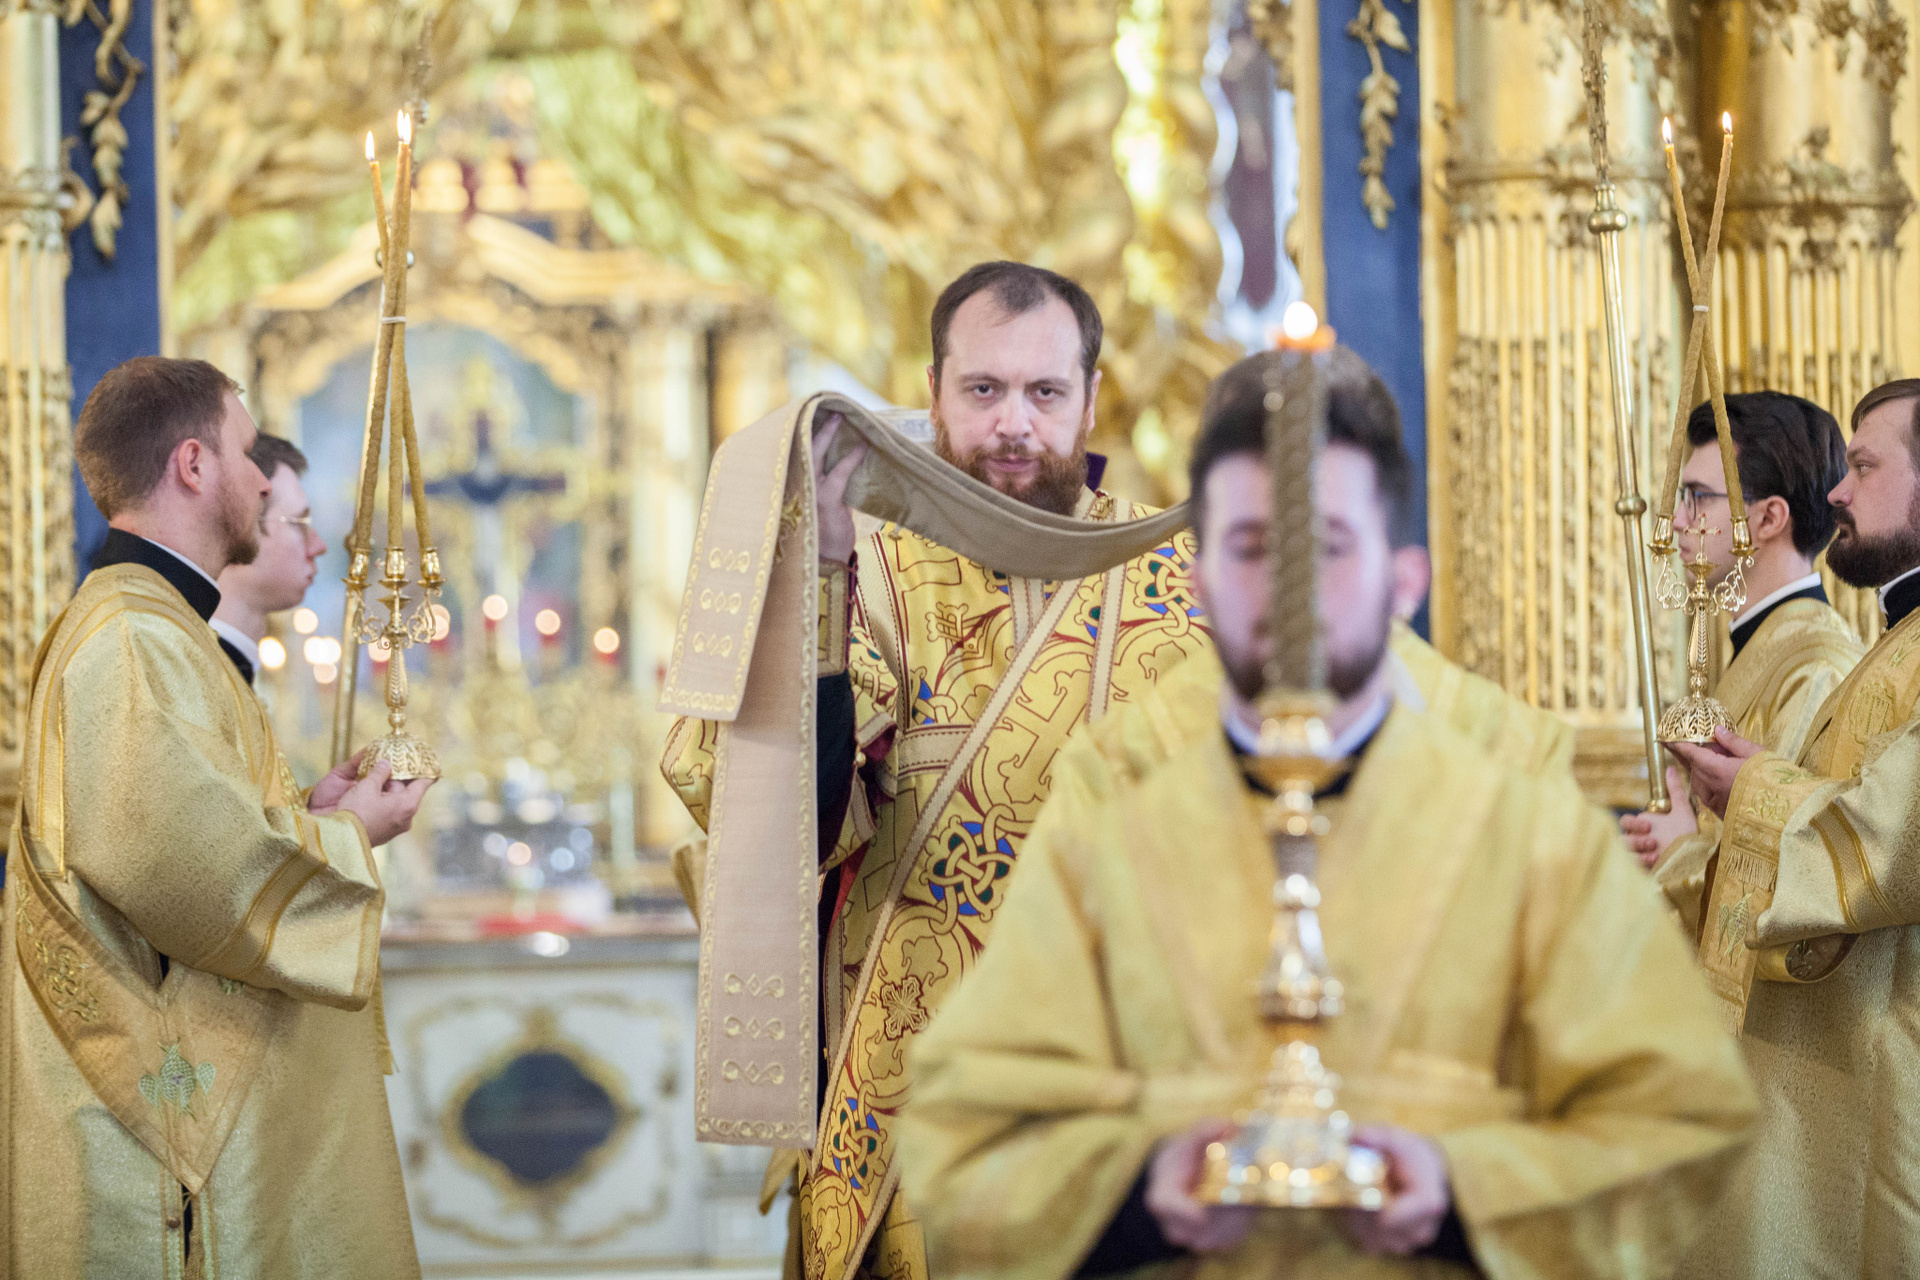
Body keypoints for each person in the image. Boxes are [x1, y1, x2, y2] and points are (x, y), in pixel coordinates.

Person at [898, 347, 1756, 1280]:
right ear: (1198, 585)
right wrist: (1142, 1190)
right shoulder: (1109, 829)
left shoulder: (1535, 835)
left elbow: (1681, 1121)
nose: (1293, 588)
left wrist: (1460, 1192)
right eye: (1252, 546)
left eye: (1331, 546)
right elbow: (965, 1141)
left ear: (1405, 582)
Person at [662, 262, 1215, 1280]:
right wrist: (822, 575)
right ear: (932, 392)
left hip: (1135, 1086)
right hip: (910, 1086)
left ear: (1092, 398)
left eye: (1045, 391)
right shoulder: (870, 568)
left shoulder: (1185, 584)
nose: (1014, 423)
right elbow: (791, 828)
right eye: (984, 388)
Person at [1, 357, 431, 1277]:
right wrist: (352, 837)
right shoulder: (132, 637)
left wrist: (305, 814)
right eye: (246, 452)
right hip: (160, 1143)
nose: (264, 482)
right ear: (193, 465)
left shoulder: (155, 625)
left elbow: (180, 826)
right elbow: (191, 870)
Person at [1667, 377, 1920, 1277]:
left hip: (1875, 1062)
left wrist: (1745, 797)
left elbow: (1890, 842)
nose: (1839, 492)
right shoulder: (1897, 640)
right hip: (1826, 1056)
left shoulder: (1824, 653)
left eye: (1866, 467)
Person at [1620, 394, 1861, 948]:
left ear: (1769, 518)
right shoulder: (1763, 647)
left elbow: (1793, 875)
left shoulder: (1816, 668)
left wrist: (1679, 850)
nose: (1679, 521)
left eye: (1698, 497)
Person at [211, 432, 326, 686]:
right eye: (299, 522)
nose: (319, 546)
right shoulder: (196, 674)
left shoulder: (227, 666)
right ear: (241, 525)